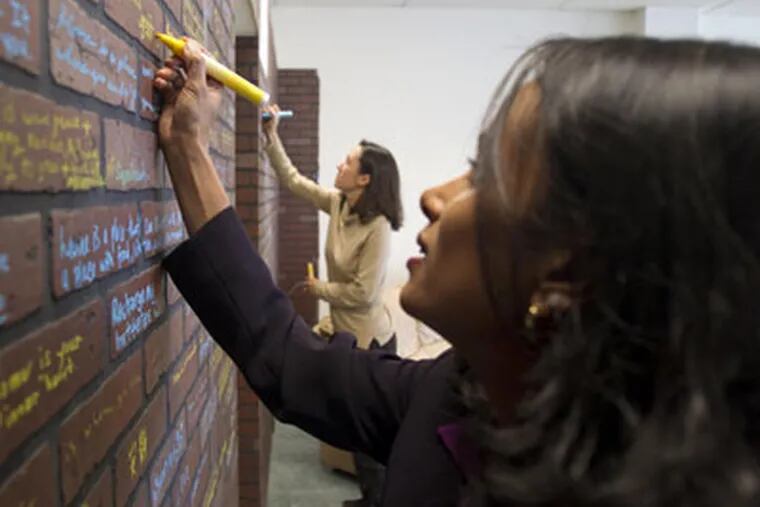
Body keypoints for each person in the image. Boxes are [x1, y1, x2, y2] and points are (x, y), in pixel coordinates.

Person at [154, 36, 760, 506]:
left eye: (487, 172)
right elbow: (289, 362)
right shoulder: (458, 394)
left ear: (573, 269)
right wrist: (187, 145)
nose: (434, 196)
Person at [261, 104, 403, 506]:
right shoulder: (340, 203)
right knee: (355, 430)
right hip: (341, 331)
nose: (340, 165)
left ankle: (378, 500)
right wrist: (271, 136)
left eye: (348, 161)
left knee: (368, 436)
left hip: (369, 341)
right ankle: (370, 498)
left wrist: (318, 288)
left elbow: (364, 294)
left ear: (365, 178)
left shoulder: (378, 227)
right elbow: (293, 181)